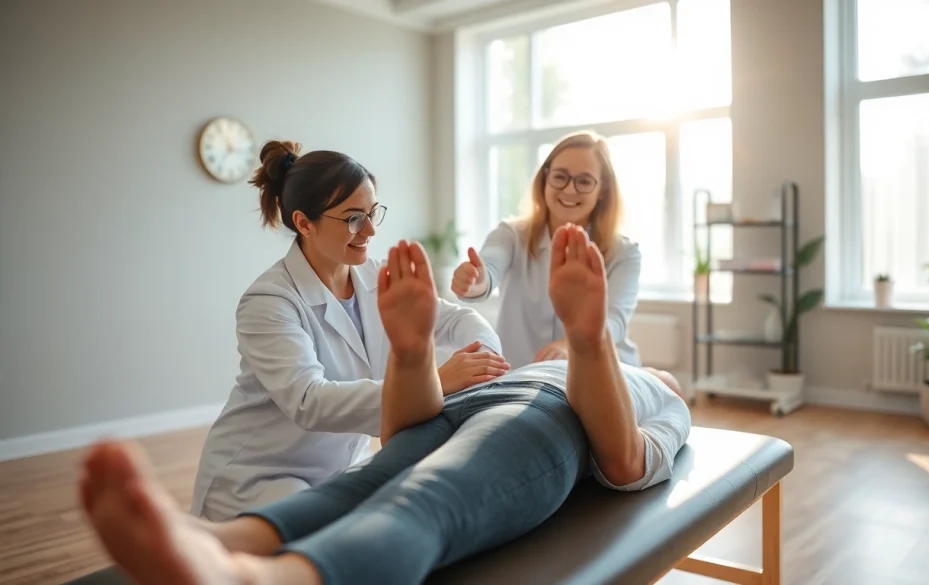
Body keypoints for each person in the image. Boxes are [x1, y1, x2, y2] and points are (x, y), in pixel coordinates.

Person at [78, 224, 691, 585]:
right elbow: (399, 434)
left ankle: (268, 579)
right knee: (367, 479)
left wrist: (591, 341)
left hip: (545, 416)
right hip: (464, 409)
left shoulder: (663, 398)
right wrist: (412, 357)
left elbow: (625, 460)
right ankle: (229, 539)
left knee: (428, 500)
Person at [190, 140, 510, 521]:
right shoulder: (269, 300)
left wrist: (484, 356)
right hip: (258, 476)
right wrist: (434, 382)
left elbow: (456, 319)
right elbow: (310, 401)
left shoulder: (374, 276)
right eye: (354, 218)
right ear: (304, 223)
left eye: (373, 212)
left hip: (340, 468)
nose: (371, 230)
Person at [451, 130, 644, 369]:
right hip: (523, 373)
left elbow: (615, 320)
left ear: (602, 190)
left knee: (667, 383)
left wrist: (570, 344)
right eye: (560, 176)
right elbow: (488, 269)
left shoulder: (625, 253)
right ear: (545, 180)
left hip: (600, 373)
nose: (570, 190)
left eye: (584, 181)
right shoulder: (511, 235)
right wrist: (475, 281)